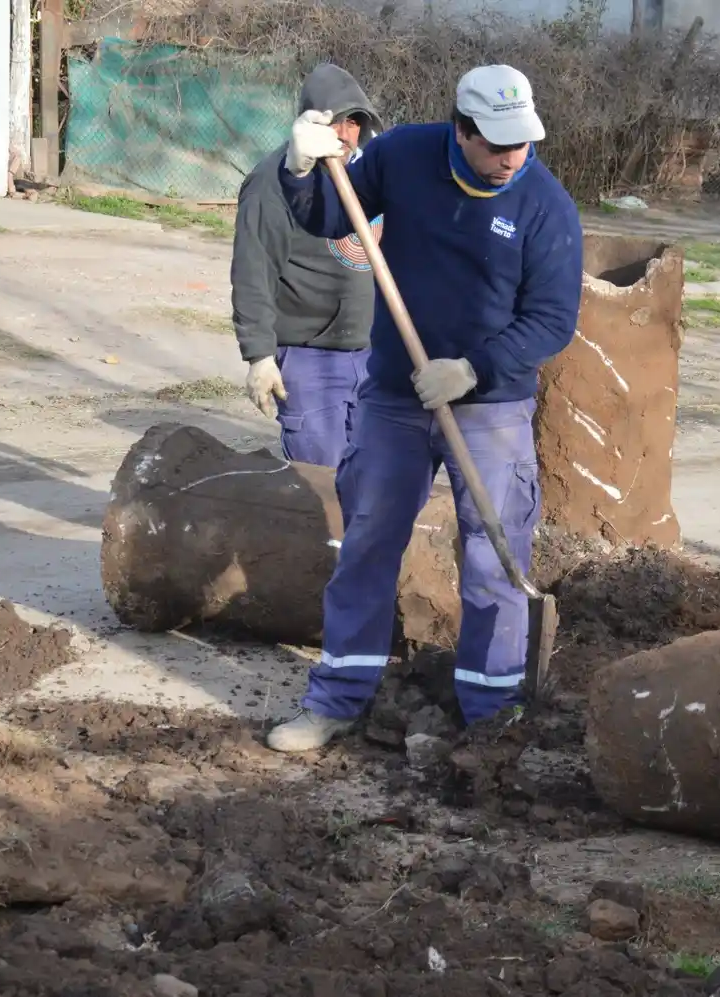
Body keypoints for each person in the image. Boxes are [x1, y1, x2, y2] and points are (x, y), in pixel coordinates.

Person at [265, 65, 584, 752]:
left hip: (491, 405)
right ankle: (337, 699)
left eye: (522, 142)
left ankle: (490, 720)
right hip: (394, 393)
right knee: (369, 538)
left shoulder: (545, 206)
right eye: (497, 143)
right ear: (460, 130)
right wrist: (300, 168)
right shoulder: (403, 155)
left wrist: (474, 367)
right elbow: (328, 215)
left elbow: (554, 319)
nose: (512, 157)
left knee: (494, 559)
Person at [231, 63, 386, 468]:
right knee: (323, 486)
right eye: (335, 121)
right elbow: (254, 269)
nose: (345, 134)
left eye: (355, 122)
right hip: (311, 358)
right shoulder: (272, 182)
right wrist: (260, 355)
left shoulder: (369, 175)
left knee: (371, 486)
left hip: (373, 354)